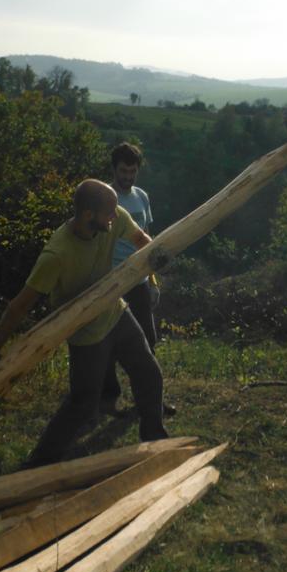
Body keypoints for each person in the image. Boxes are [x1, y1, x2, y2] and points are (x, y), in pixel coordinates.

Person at [0, 179, 168, 467]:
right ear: (88, 215)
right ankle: (38, 464)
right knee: (83, 402)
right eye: (109, 213)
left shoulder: (115, 217)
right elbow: (19, 306)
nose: (115, 217)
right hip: (85, 331)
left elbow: (141, 240)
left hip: (116, 312)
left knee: (149, 374)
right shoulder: (57, 254)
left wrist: (154, 258)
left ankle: (156, 443)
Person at [102, 143, 175, 414]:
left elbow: (147, 242)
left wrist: (152, 282)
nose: (128, 177)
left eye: (132, 171)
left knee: (147, 342)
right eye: (123, 171)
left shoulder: (141, 197)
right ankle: (108, 400)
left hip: (139, 281)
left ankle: (150, 400)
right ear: (114, 169)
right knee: (108, 343)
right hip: (110, 281)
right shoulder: (104, 197)